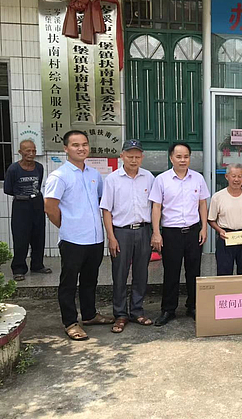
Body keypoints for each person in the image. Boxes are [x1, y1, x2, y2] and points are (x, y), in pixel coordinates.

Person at [44, 130, 114, 341]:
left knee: (90, 279)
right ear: (66, 148)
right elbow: (50, 207)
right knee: (69, 282)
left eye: (84, 144)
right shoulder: (59, 176)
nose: (81, 148)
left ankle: (90, 315)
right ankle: (70, 322)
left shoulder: (94, 175)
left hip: (95, 238)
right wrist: (67, 224)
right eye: (75, 145)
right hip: (72, 239)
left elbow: (100, 201)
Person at [149, 142, 210, 326]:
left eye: (186, 156)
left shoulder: (198, 178)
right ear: (171, 158)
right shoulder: (161, 180)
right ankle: (168, 309)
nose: (183, 160)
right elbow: (156, 207)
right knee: (171, 272)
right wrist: (156, 233)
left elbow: (202, 204)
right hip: (171, 233)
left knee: (194, 271)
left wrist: (204, 228)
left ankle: (193, 306)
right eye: (179, 157)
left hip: (193, 231)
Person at [100, 139, 155, 333]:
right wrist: (111, 237)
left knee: (141, 273)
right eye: (130, 156)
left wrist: (155, 232)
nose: (133, 160)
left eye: (137, 157)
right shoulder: (112, 179)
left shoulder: (148, 177)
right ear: (121, 156)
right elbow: (106, 210)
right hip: (121, 232)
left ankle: (137, 311)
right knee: (120, 273)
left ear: (142, 157)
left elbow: (156, 206)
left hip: (143, 230)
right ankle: (120, 313)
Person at [4, 140, 50, 281]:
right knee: (21, 237)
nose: (31, 153)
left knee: (38, 235)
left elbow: (38, 184)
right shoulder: (13, 169)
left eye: (33, 151)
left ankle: (37, 265)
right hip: (21, 205)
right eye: (27, 151)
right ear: (20, 152)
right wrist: (22, 195)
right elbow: (8, 189)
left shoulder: (39, 167)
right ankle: (19, 268)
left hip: (37, 203)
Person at [208, 163, 242, 276]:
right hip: (225, 236)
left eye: (240, 176)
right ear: (227, 176)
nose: (236, 179)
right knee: (224, 271)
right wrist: (219, 230)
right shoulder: (218, 197)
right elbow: (211, 219)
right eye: (233, 176)